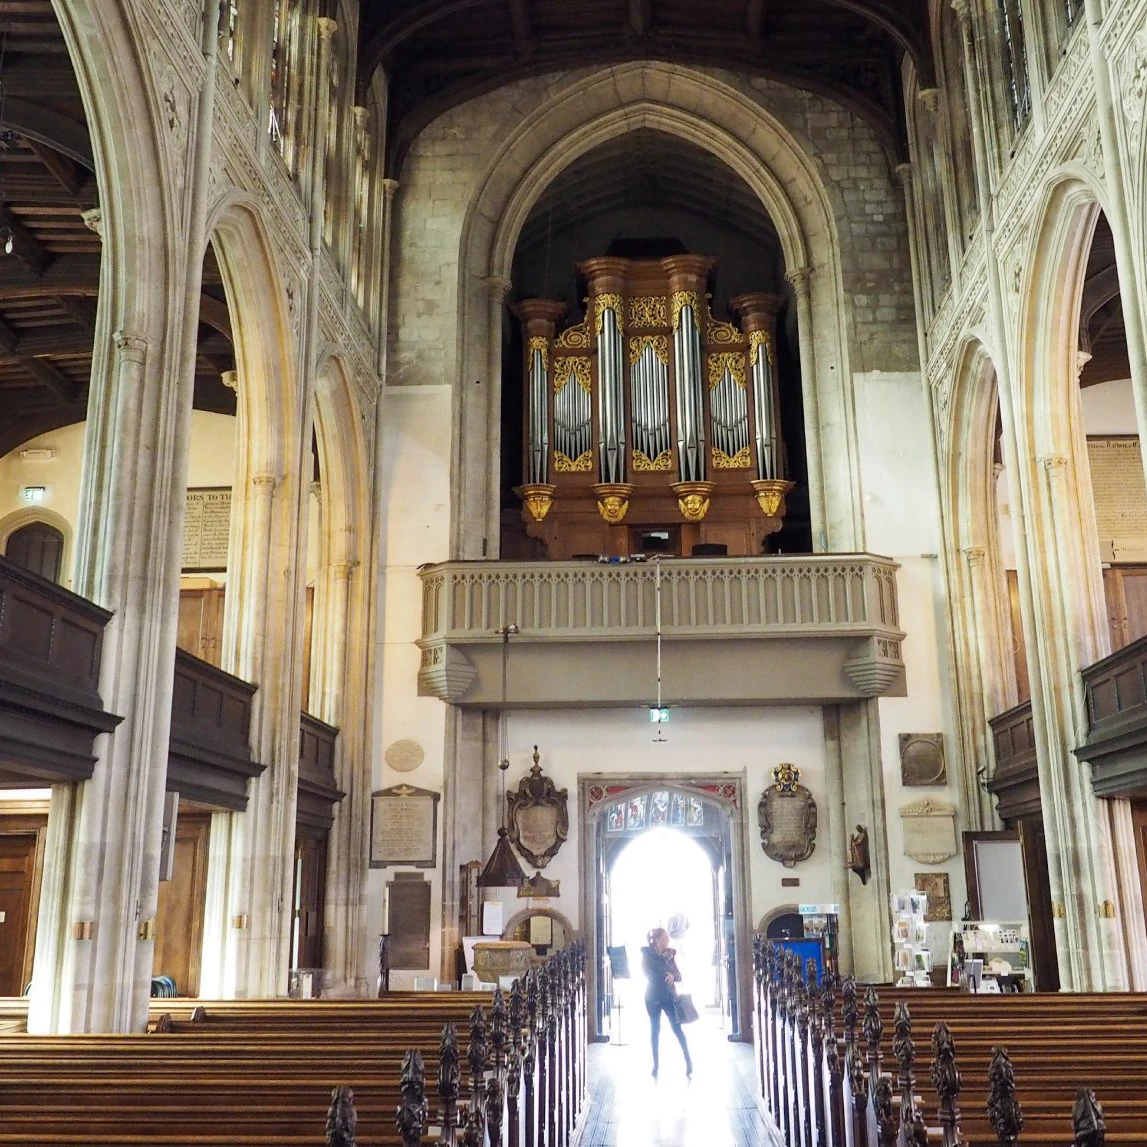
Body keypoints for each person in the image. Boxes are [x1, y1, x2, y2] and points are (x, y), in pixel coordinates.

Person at [641, 926, 692, 1079]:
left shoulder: (670, 955)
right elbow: (648, 975)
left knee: (677, 1029)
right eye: (665, 938)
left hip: (669, 997)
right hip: (653, 998)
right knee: (655, 1030)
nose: (668, 940)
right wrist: (666, 977)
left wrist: (672, 976)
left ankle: (688, 1061)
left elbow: (679, 975)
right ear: (658, 940)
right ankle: (656, 1064)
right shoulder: (647, 955)